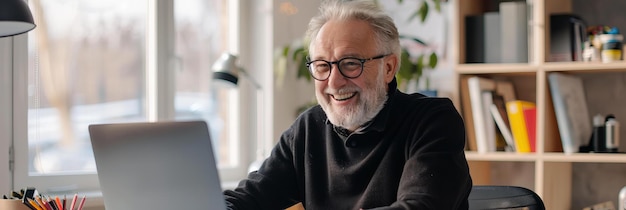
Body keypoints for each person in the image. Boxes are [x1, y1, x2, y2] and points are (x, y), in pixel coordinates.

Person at [223, 0, 472, 209]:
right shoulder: (309, 128)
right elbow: (247, 199)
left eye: (351, 63)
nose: (334, 81)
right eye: (322, 65)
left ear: (388, 68)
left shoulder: (433, 121)